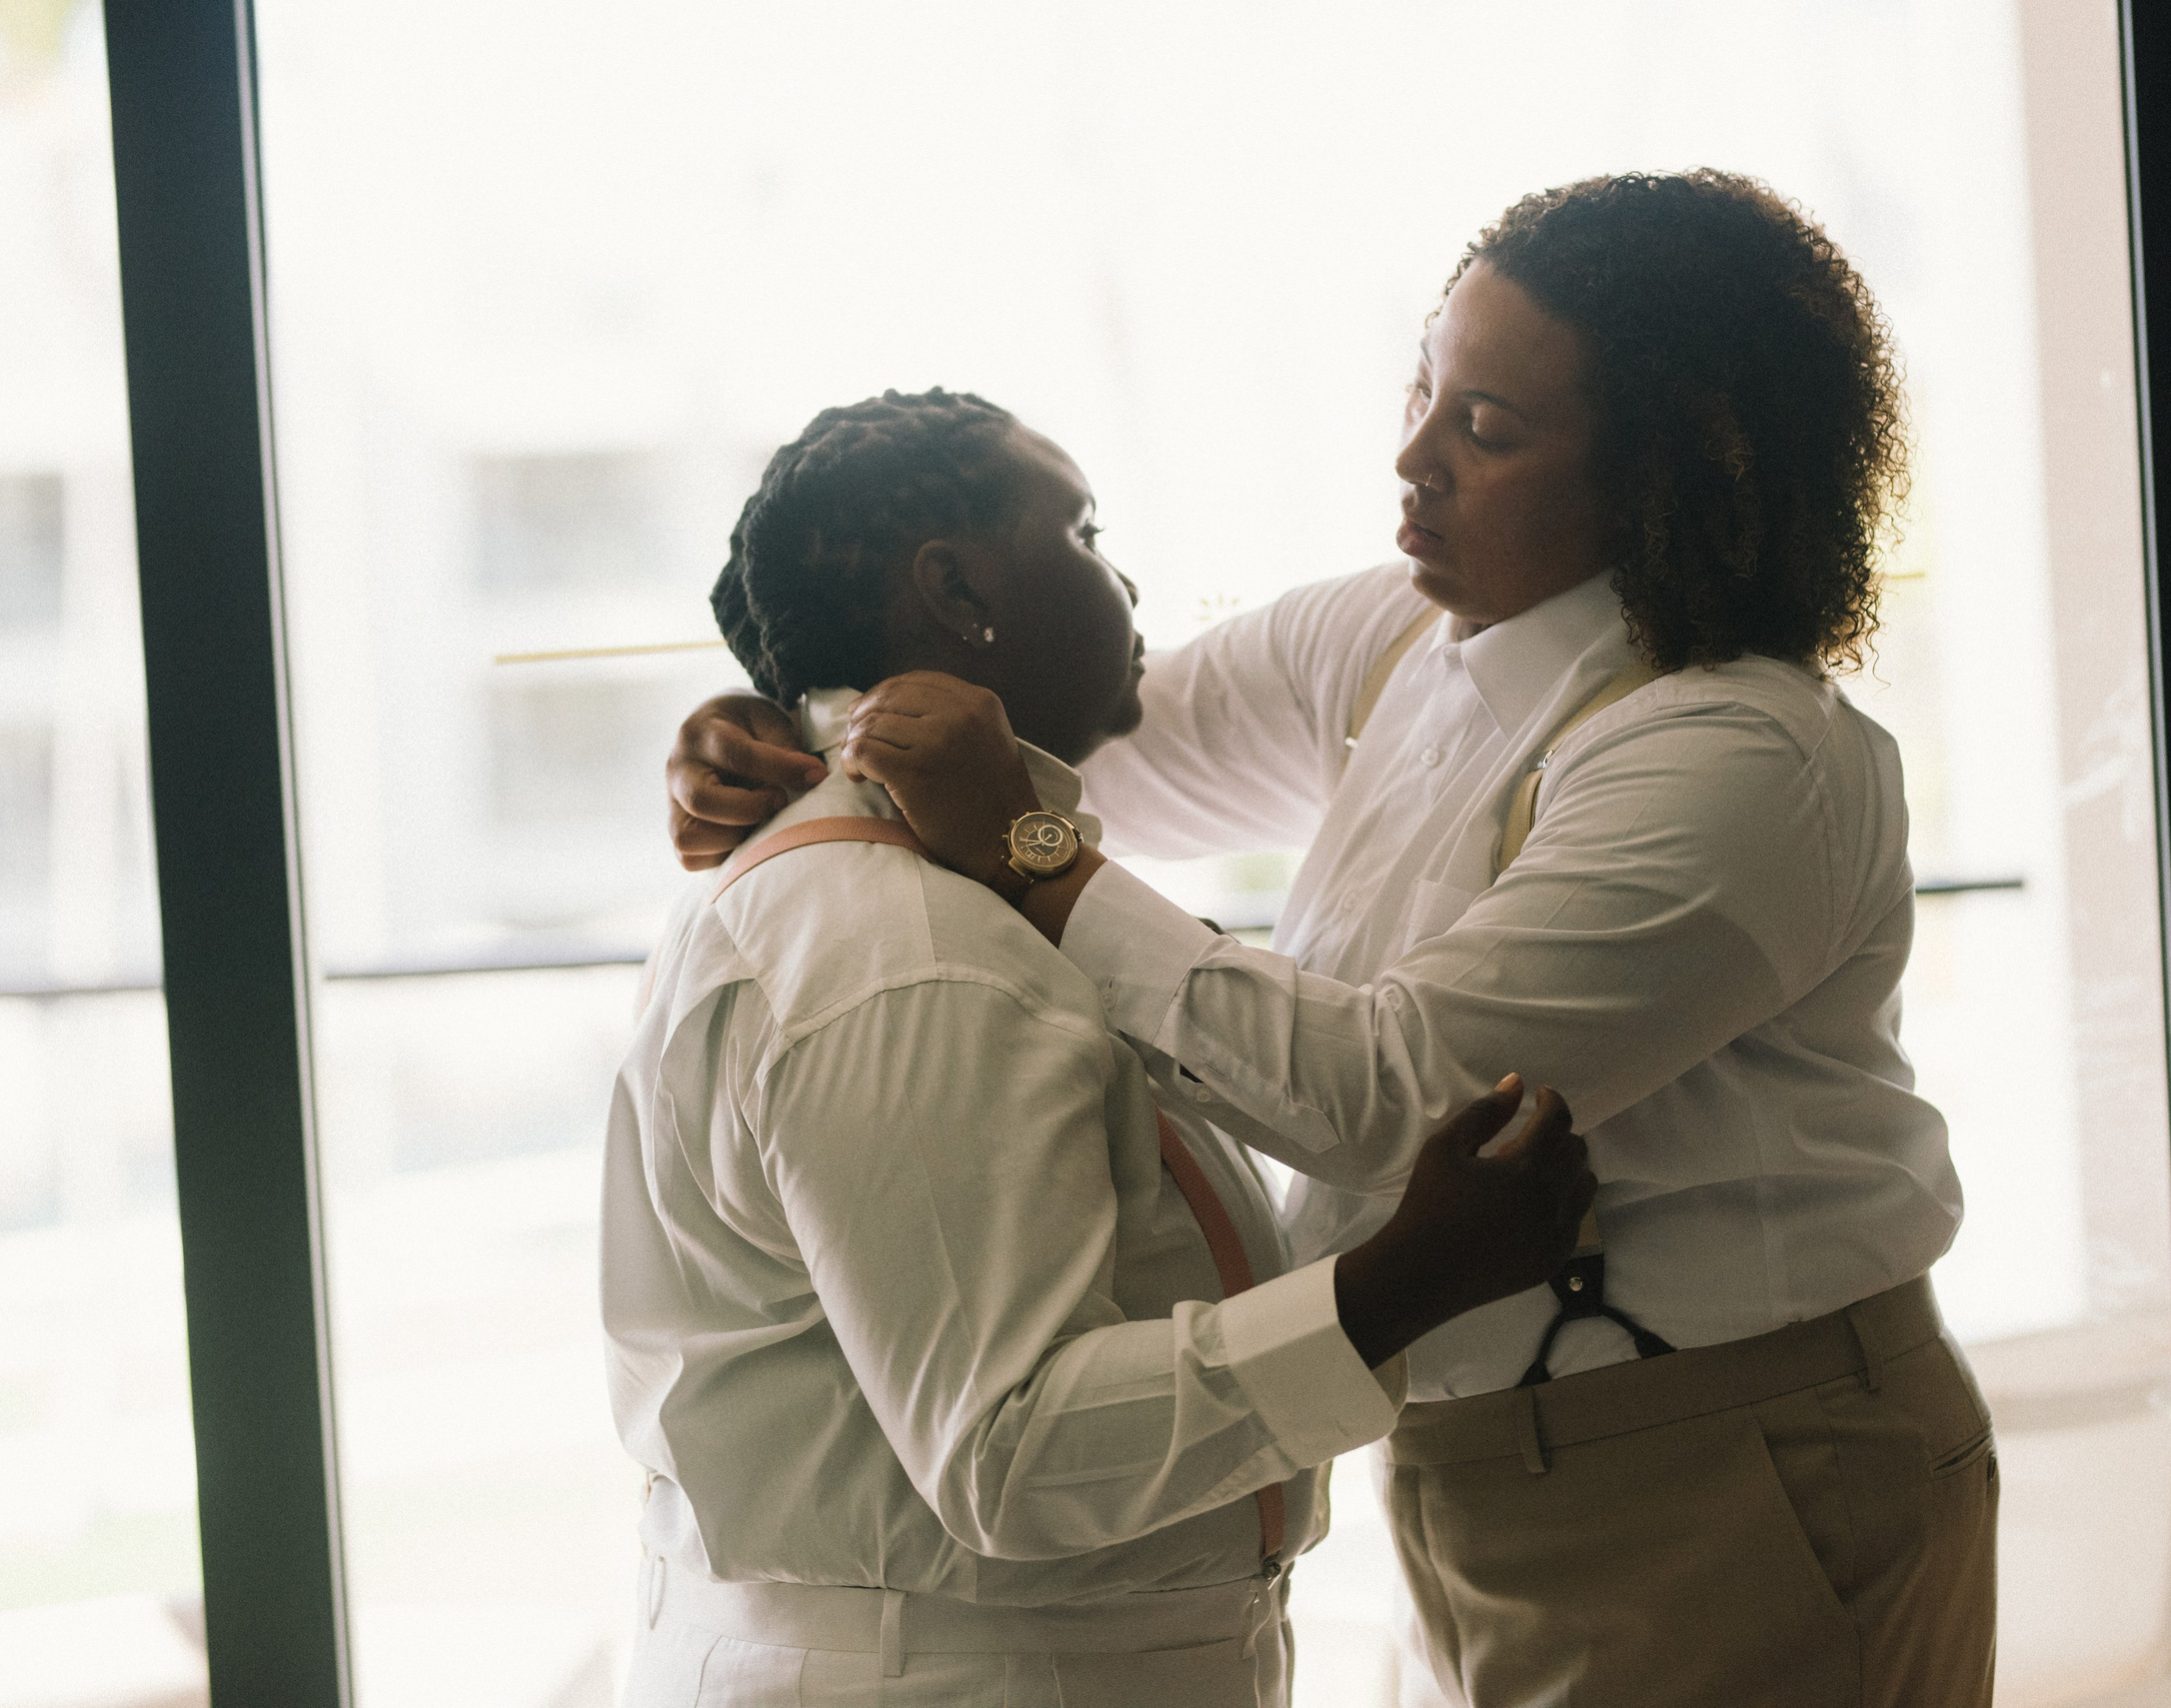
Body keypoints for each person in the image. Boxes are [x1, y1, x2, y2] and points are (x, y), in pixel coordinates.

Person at [667, 173, 1999, 1707]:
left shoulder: (1744, 757)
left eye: (1486, 430)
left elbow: (1393, 1091)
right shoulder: (1400, 640)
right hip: (1471, 1463)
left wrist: (1028, 850)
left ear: (1672, 477)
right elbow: (1076, 712)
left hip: (1736, 1464)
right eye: (1424, 389)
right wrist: (799, 722)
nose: (1412, 457)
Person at [604, 387, 1596, 1708]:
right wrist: (1398, 1284)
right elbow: (1009, 1448)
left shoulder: (907, 893)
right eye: (1082, 529)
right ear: (958, 592)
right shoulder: (914, 950)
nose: (1122, 577)